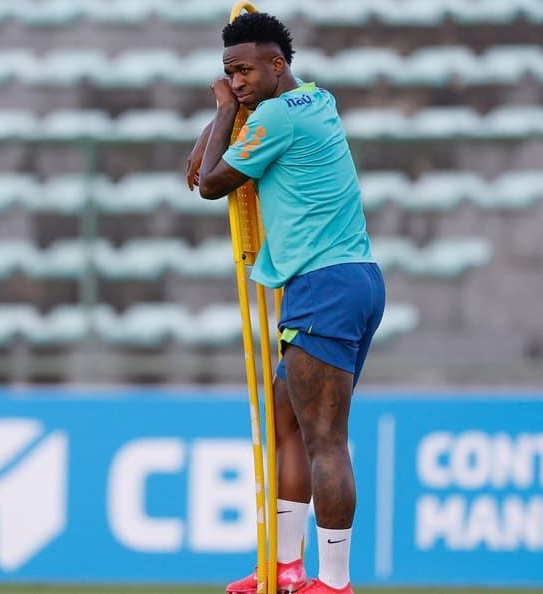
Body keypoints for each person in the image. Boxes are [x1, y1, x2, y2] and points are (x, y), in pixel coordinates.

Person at [185, 11, 385, 594]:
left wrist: (223, 111)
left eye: (245, 70)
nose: (238, 81)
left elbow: (212, 182)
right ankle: (285, 567)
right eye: (229, 73)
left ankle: (336, 582)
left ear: (277, 65)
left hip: (323, 285)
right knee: (287, 424)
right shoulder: (319, 99)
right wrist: (229, 113)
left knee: (325, 437)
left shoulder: (272, 117)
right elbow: (222, 155)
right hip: (352, 279)